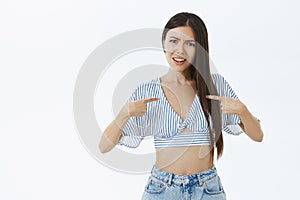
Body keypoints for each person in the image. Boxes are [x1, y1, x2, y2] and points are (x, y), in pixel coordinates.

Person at [98, 12, 264, 200]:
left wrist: (242, 110)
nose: (180, 51)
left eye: (190, 44)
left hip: (207, 190)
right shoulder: (148, 91)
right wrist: (125, 114)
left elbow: (258, 136)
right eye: (174, 41)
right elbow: (103, 147)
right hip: (161, 189)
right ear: (163, 43)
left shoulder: (215, 86)